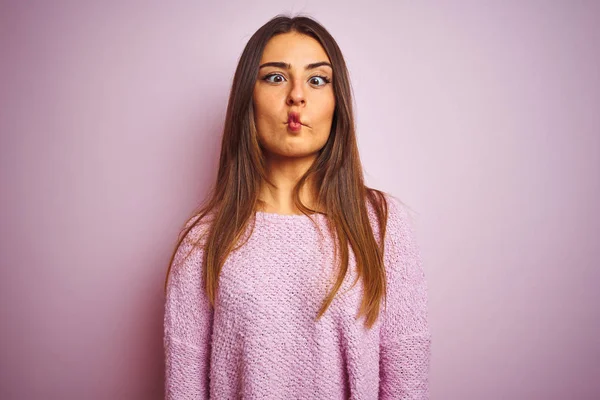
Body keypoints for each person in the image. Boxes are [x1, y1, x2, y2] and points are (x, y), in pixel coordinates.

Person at [163, 14, 431, 399]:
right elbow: (184, 389)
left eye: (317, 79)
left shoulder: (383, 225)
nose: (297, 96)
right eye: (275, 77)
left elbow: (407, 376)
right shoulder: (203, 240)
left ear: (337, 104)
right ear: (246, 99)